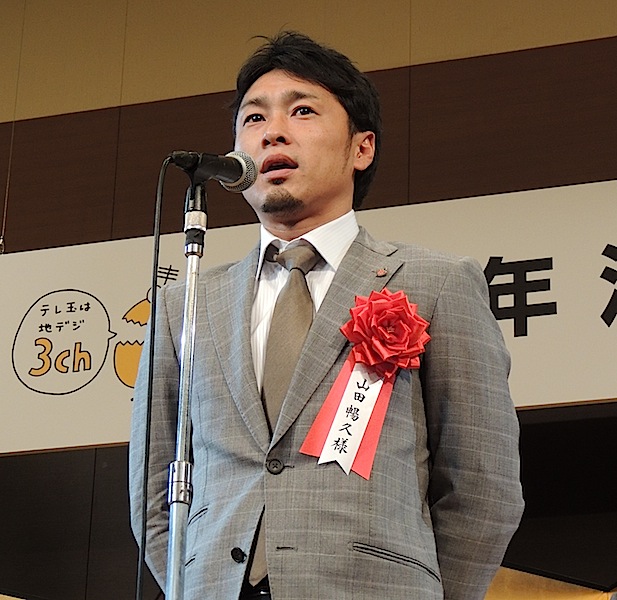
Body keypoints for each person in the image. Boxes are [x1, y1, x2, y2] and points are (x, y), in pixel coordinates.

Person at [129, 31, 524, 600]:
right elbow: (152, 492)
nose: (272, 132)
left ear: (361, 148)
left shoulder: (436, 283)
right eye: (254, 118)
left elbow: (483, 486)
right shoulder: (183, 305)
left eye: (303, 111)